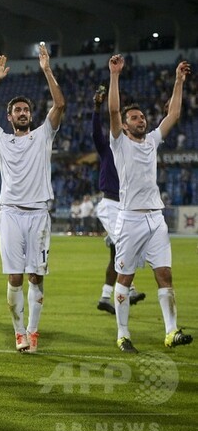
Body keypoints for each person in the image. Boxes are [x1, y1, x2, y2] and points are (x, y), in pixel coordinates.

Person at [0, 45, 66, 354]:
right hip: (11, 213)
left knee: (36, 275)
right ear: (10, 116)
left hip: (39, 213)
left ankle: (33, 331)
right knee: (15, 276)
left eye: (26, 110)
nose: (23, 113)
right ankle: (19, 334)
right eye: (18, 110)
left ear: (31, 115)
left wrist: (47, 70)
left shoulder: (44, 134)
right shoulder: (1, 138)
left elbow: (60, 104)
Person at [107, 55, 192, 353]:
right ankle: (122, 334)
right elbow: (113, 109)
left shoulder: (153, 140)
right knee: (125, 277)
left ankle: (171, 332)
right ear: (124, 125)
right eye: (134, 118)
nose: (140, 120)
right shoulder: (119, 142)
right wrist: (114, 75)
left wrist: (179, 81)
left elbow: (174, 114)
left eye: (142, 117)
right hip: (129, 218)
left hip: (156, 218)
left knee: (165, 274)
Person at [92, 86, 145, 314]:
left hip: (124, 207)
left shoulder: (132, 150)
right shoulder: (108, 149)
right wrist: (97, 108)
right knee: (125, 246)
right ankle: (129, 289)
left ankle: (105, 297)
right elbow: (96, 133)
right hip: (110, 204)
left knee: (116, 253)